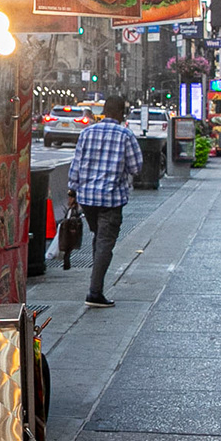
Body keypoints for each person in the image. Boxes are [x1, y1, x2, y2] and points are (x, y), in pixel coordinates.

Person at [66, 95, 142, 308]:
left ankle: (95, 282)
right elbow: (136, 167)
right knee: (105, 243)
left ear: (105, 111)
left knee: (99, 238)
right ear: (120, 113)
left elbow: (76, 165)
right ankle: (94, 292)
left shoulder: (87, 133)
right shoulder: (125, 135)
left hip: (87, 199)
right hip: (111, 199)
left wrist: (72, 192)